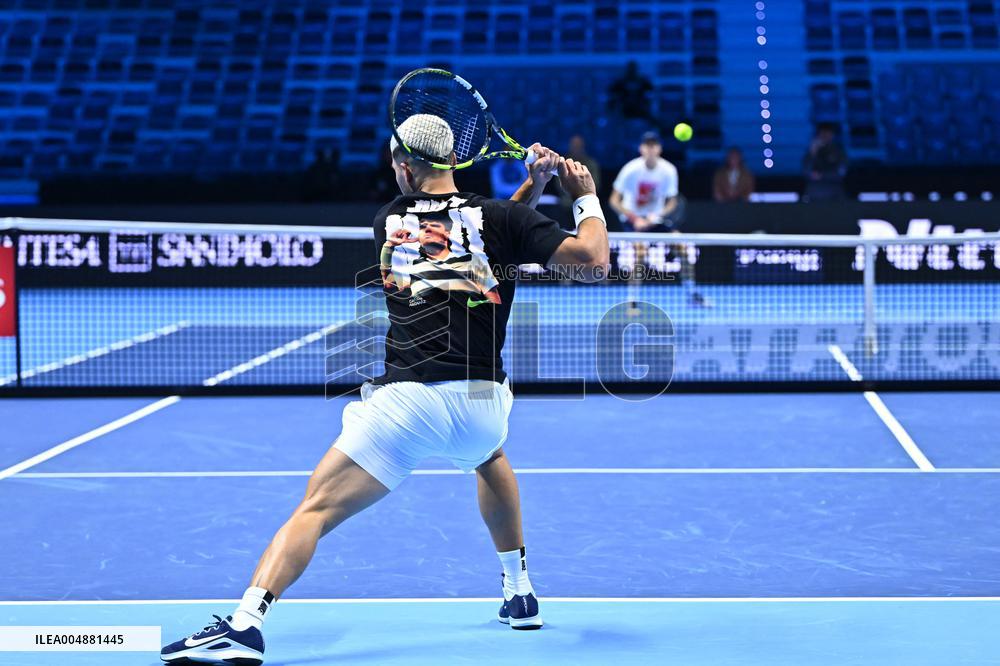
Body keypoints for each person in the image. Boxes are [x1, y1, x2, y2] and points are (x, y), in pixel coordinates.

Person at [160, 114, 609, 665]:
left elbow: (486, 234)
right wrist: (582, 196)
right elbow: (584, 260)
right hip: (482, 407)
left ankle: (245, 625)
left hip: (409, 403)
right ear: (452, 161)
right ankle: (519, 593)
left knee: (315, 509)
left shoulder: (390, 219)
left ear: (404, 165)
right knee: (488, 456)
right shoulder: (498, 216)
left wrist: (535, 188)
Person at [608, 131, 706, 307]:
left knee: (683, 248)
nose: (650, 149)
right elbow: (614, 200)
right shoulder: (630, 170)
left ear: (659, 148)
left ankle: (691, 295)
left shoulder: (668, 170)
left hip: (656, 220)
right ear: (641, 148)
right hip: (633, 220)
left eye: (654, 145)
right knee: (640, 253)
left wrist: (656, 217)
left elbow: (672, 202)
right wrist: (634, 218)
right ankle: (632, 300)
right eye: (647, 145)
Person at [802, 123, 848, 202]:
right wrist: (813, 153)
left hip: (834, 194)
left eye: (827, 133)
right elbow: (806, 171)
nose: (825, 136)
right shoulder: (811, 151)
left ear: (832, 135)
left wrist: (822, 176)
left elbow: (841, 173)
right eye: (822, 133)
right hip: (813, 194)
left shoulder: (839, 151)